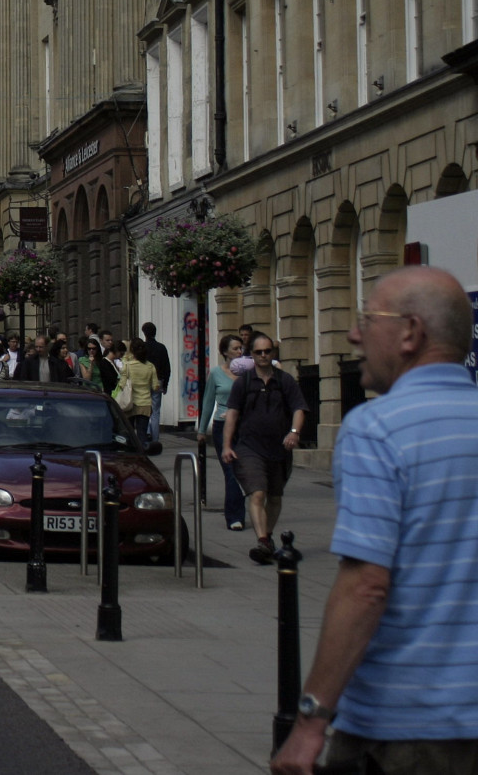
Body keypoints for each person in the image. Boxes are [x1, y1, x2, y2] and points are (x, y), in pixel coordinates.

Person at [272, 267, 478, 775]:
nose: (353, 334)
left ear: (410, 333)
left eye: (367, 319)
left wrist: (310, 722)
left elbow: (366, 586)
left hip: (409, 726)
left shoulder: (377, 428)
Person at [220, 331, 305, 565]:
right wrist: (227, 446)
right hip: (250, 447)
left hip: (278, 448)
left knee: (275, 497)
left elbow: (298, 408)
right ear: (252, 355)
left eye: (268, 351)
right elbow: (232, 415)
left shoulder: (285, 380)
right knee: (257, 492)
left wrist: (294, 432)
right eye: (259, 352)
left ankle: (266, 538)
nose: (264, 355)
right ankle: (263, 540)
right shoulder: (244, 383)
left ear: (272, 353)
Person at [198, 334, 246, 532]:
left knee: (243, 471)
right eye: (235, 348)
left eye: (241, 348)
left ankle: (242, 510)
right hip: (222, 426)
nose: (240, 352)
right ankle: (235, 517)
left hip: (244, 426)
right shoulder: (216, 374)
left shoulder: (247, 373)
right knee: (230, 470)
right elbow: (208, 402)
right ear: (225, 352)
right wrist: (202, 430)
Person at [118, 339, 161, 445]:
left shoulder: (127, 366)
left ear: (132, 350)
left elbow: (121, 385)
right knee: (142, 434)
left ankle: (131, 452)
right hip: (145, 404)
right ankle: (142, 451)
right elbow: (155, 386)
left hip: (130, 403)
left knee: (129, 433)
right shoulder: (150, 366)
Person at [140, 321, 171, 446]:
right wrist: (165, 384)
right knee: (156, 411)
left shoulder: (142, 348)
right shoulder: (161, 347)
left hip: (144, 381)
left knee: (145, 408)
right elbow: (167, 367)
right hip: (158, 380)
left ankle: (147, 433)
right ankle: (155, 439)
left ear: (144, 333)